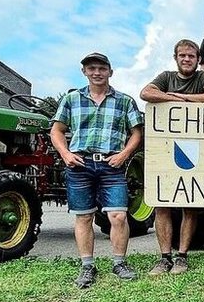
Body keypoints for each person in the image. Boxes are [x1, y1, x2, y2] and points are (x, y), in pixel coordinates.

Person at [50, 53, 145, 288]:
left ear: (110, 72)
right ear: (84, 72)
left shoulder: (124, 101)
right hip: (80, 164)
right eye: (91, 68)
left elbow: (136, 133)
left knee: (118, 216)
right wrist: (66, 154)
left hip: (111, 164)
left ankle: (119, 263)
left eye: (102, 68)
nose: (97, 72)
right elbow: (57, 130)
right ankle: (87, 266)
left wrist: (124, 155)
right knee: (84, 216)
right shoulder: (72, 99)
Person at [138, 38, 204, 275]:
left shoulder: (202, 78)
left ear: (198, 59)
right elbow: (146, 92)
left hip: (194, 149)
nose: (187, 59)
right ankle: (164, 257)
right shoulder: (166, 77)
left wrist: (184, 98)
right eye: (182, 56)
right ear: (175, 58)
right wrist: (174, 98)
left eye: (191, 56)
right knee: (162, 205)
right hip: (167, 149)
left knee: (190, 207)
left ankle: (182, 256)